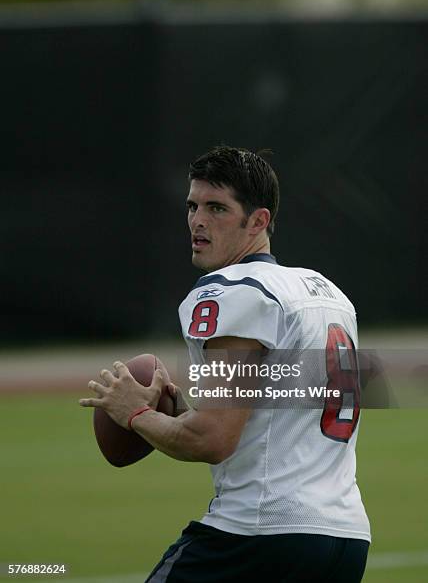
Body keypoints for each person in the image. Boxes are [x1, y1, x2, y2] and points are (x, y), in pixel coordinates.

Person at [80, 146, 370, 582]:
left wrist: (135, 414)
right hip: (345, 541)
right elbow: (276, 401)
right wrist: (179, 412)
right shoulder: (327, 293)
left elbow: (212, 440)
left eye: (217, 208)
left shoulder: (230, 290)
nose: (198, 220)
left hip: (256, 534)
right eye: (193, 206)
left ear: (259, 221)